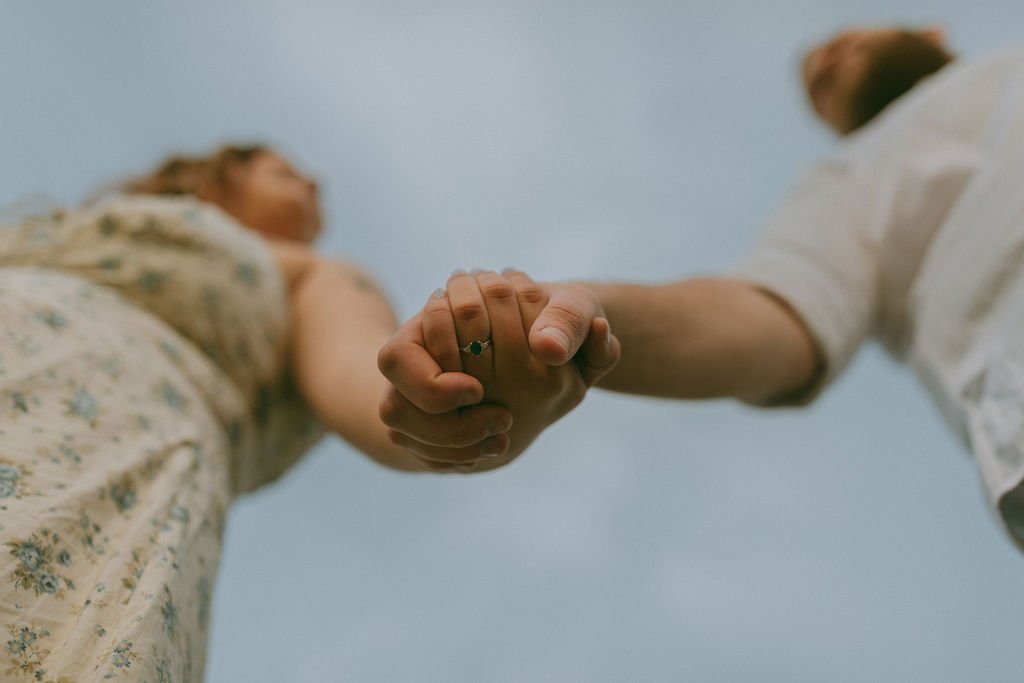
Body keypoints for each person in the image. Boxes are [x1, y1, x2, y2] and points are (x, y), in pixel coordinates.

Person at [378, 25, 1024, 550]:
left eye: (845, 41)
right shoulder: (844, 184)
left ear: (933, 30)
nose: (823, 60)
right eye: (815, 84)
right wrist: (569, 318)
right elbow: (765, 319)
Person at [0, 145, 476, 680]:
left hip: (107, 447)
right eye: (284, 171)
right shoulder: (77, 226)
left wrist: (443, 405)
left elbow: (367, 381)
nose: (314, 183)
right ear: (218, 177)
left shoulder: (317, 275)